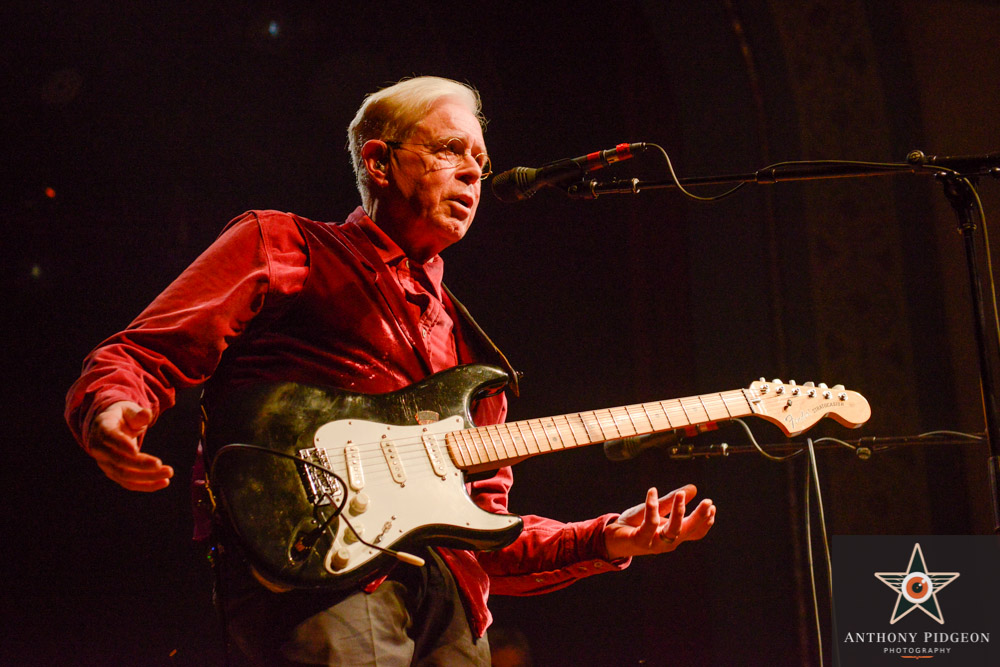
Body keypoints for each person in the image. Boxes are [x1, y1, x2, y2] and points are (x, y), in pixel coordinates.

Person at [65, 76, 717, 665]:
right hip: (323, 575)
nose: (474, 174)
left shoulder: (475, 360)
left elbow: (488, 529)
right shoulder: (290, 245)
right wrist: (115, 406)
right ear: (379, 161)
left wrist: (603, 538)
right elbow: (144, 351)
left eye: (482, 162)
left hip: (456, 612)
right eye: (451, 150)